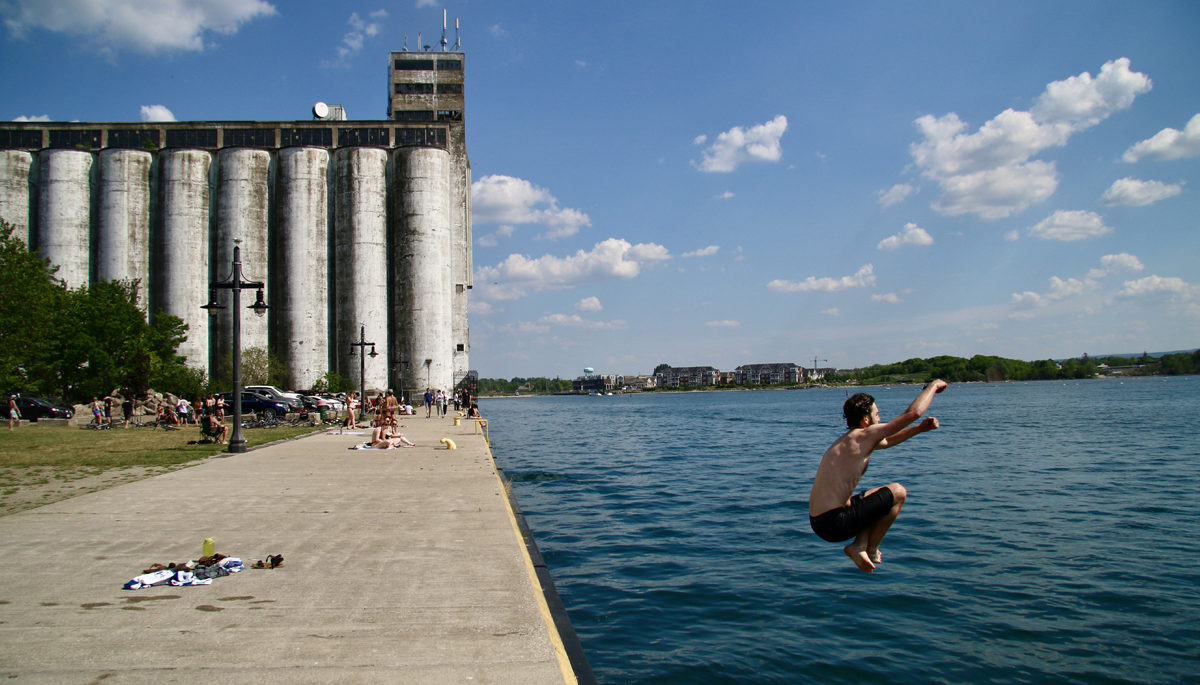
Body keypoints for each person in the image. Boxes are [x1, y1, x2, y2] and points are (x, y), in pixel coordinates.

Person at [808, 379, 948, 573]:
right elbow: (913, 413)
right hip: (833, 522)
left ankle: (860, 544)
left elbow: (887, 441)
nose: (880, 419)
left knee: (873, 496)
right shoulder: (863, 436)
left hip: (820, 521)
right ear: (866, 420)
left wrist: (920, 429)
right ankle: (868, 548)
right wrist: (933, 386)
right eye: (877, 414)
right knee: (898, 492)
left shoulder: (851, 440)